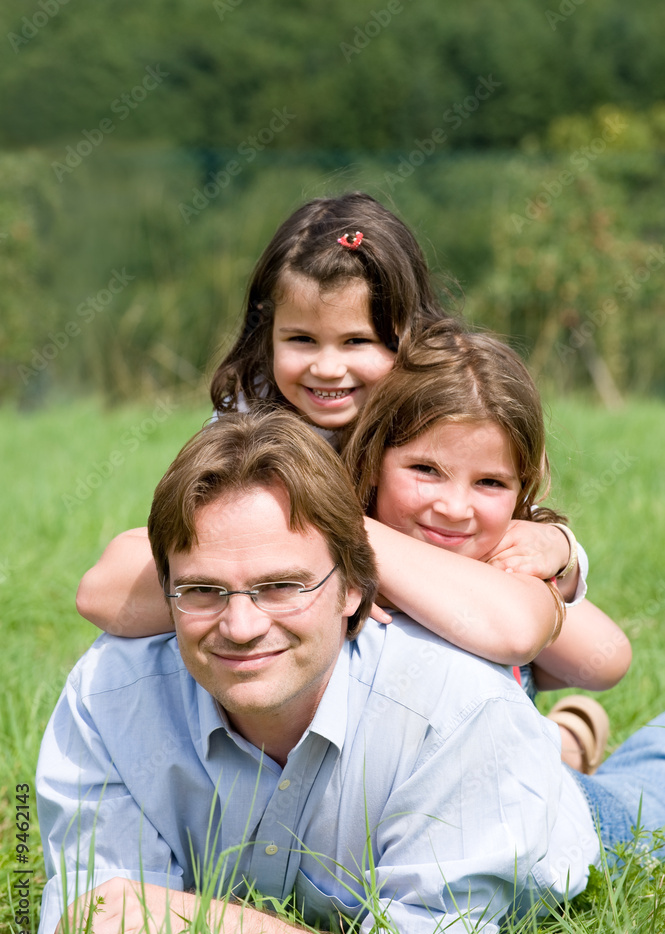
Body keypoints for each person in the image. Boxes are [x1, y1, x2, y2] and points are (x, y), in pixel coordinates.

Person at [36, 411, 665, 934]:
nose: (242, 626)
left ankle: (574, 747)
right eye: (203, 591)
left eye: (282, 586)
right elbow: (100, 930)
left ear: (356, 590)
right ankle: (574, 734)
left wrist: (219, 927)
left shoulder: (456, 709)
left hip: (543, 813)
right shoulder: (109, 697)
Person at [74, 194, 620, 695]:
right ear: (267, 336)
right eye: (302, 339)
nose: (327, 368)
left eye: (357, 341)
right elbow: (110, 589)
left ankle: (567, 737)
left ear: (409, 337)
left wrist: (565, 551)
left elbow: (589, 648)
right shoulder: (250, 430)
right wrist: (335, 551)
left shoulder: (437, 421)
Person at [342, 323, 630, 771]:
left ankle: (568, 741)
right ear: (373, 460)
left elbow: (607, 659)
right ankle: (570, 739)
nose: (455, 508)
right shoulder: (337, 569)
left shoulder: (500, 567)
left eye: (490, 482)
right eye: (426, 469)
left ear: (522, 491)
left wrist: (562, 553)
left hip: (523, 791)